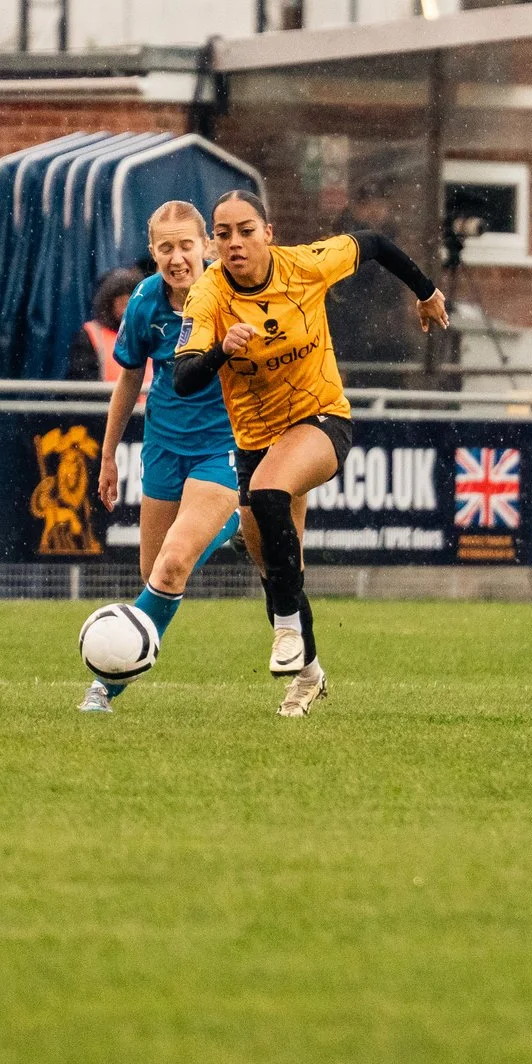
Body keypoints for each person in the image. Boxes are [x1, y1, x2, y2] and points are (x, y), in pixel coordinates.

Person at [171, 189, 448, 717]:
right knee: (276, 564)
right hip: (254, 442)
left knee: (268, 493)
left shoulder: (305, 265)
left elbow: (376, 245)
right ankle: (309, 675)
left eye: (246, 231)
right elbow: (184, 378)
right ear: (212, 243)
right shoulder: (206, 296)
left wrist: (427, 291)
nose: (235, 243)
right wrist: (218, 352)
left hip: (321, 419)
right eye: (223, 234)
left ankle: (285, 628)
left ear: (268, 233)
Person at [79, 202, 247, 714]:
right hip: (162, 452)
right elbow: (130, 377)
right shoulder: (147, 302)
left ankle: (103, 688)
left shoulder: (232, 296)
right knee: (157, 576)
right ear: (153, 254)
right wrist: (108, 456)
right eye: (166, 248)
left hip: (218, 452)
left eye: (187, 245)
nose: (178, 258)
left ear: (207, 247)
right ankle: (114, 678)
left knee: (175, 562)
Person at [65, 268, 144, 382]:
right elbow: (81, 386)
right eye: (122, 303)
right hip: (107, 399)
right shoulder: (91, 335)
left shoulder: (151, 332)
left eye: (132, 302)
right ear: (109, 304)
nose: (127, 309)